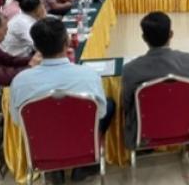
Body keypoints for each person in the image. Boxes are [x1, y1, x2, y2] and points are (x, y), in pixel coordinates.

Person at [10, 17, 114, 184]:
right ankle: (83, 164)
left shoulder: (20, 81)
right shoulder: (89, 75)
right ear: (67, 42)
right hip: (82, 142)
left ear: (36, 47)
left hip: (43, 147)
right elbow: (100, 114)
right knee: (108, 105)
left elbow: (17, 120)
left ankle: (54, 168)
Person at [122, 12, 189, 149]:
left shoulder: (131, 69)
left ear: (143, 38)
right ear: (171, 34)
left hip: (143, 133)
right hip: (185, 127)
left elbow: (126, 105)